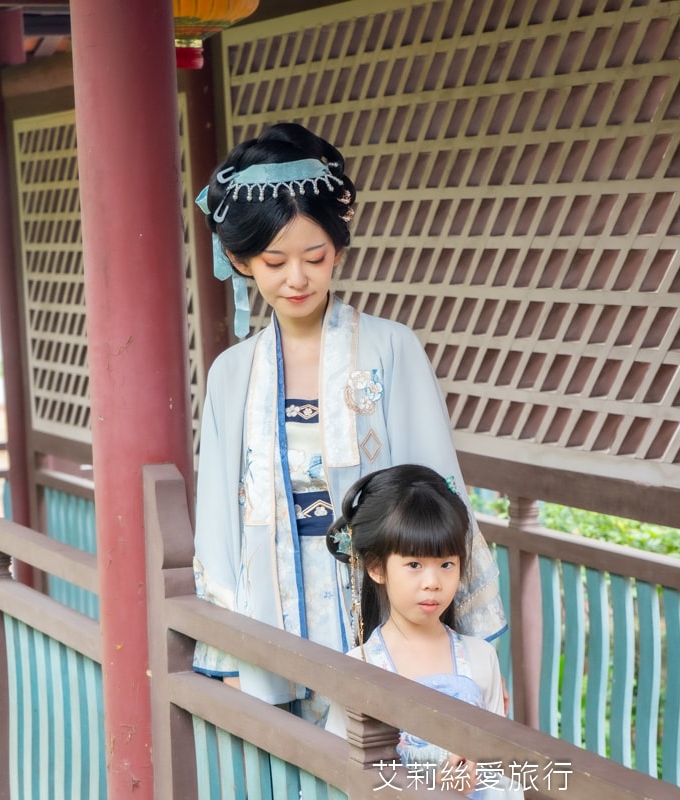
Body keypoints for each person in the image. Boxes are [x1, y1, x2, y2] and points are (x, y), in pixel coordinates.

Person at [191, 123, 506, 725]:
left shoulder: (391, 349)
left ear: (338, 248)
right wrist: (225, 651)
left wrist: (467, 646)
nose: (296, 279)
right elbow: (217, 521)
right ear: (239, 261)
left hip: (382, 593)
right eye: (273, 261)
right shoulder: (233, 372)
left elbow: (437, 488)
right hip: (270, 607)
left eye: (314, 257)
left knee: (387, 759)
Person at [323, 465, 523, 799]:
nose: (432, 582)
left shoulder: (480, 657)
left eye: (446, 564)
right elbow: (338, 776)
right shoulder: (359, 666)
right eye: (414, 565)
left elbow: (503, 770)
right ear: (376, 567)